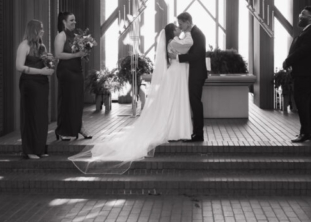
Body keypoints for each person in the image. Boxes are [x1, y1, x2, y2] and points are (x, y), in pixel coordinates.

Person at [68, 23, 193, 174]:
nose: (179, 29)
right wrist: (187, 33)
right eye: (177, 28)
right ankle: (172, 127)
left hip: (173, 74)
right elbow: (187, 46)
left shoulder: (170, 42)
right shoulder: (173, 42)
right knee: (170, 103)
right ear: (173, 31)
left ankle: (173, 126)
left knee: (169, 104)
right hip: (173, 75)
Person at [15, 20, 55, 159]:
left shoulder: (41, 47)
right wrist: (41, 72)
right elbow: (19, 67)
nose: (43, 31)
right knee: (31, 115)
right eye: (41, 28)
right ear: (33, 30)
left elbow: (46, 65)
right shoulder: (23, 46)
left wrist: (50, 62)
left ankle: (39, 148)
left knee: (41, 117)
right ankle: (30, 150)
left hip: (42, 85)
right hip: (30, 85)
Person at [282, 6, 311, 143]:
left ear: (310, 17)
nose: (299, 16)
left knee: (302, 102)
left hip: (306, 74)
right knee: (308, 102)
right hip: (305, 73)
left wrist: (288, 61)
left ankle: (306, 133)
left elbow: (303, 51)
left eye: (302, 14)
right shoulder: (308, 31)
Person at [169, 12, 208, 142]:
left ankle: (198, 134)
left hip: (197, 74)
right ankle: (195, 132)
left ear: (188, 22)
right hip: (193, 73)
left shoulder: (198, 35)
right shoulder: (190, 34)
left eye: (181, 24)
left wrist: (178, 57)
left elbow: (197, 55)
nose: (180, 26)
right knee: (193, 102)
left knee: (195, 103)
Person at [54, 11, 92, 141]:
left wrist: (86, 50)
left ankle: (79, 127)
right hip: (66, 72)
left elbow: (82, 52)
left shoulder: (77, 36)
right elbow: (58, 55)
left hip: (77, 71)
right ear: (64, 22)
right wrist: (76, 55)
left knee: (77, 101)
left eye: (74, 20)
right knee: (67, 101)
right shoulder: (61, 36)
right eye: (71, 20)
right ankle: (63, 130)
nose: (74, 22)